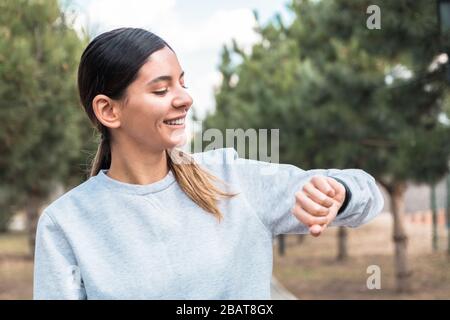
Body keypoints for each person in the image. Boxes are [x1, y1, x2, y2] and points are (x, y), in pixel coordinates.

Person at [33, 27, 384, 300]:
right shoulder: (65, 224)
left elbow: (367, 195)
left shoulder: (231, 178)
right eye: (161, 90)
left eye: (182, 83)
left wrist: (339, 194)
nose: (185, 99)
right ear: (109, 110)